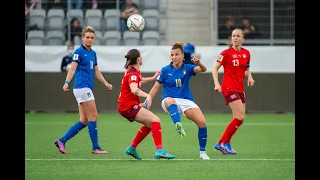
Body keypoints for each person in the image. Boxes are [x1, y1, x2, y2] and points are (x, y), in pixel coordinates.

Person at [54, 26, 113, 154]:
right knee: (94, 115)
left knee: (84, 120)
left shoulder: (93, 53)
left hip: (86, 88)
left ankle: (61, 141)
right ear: (82, 38)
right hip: (81, 87)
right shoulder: (78, 52)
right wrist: (66, 82)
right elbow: (72, 69)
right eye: (87, 37)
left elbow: (97, 71)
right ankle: (95, 147)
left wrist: (105, 83)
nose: (89, 40)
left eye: (92, 38)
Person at [148, 42, 210, 160]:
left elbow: (204, 69)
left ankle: (203, 153)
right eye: (172, 55)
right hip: (168, 101)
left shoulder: (188, 67)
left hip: (186, 100)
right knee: (171, 101)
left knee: (202, 123)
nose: (174, 57)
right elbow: (156, 87)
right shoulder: (165, 70)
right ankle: (178, 123)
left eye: (177, 54)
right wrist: (148, 99)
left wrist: (199, 63)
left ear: (182, 55)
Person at [118, 48, 176, 160]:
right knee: (156, 121)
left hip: (127, 105)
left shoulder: (133, 71)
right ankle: (159, 150)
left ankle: (132, 148)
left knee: (151, 124)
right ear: (139, 59)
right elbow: (134, 89)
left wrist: (153, 78)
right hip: (128, 106)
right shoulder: (133, 72)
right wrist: (148, 96)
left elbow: (141, 80)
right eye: (141, 57)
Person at [212, 28, 255, 154]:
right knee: (241, 117)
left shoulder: (246, 53)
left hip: (240, 89)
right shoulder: (226, 53)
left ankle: (226, 143)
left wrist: (250, 77)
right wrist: (217, 84)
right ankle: (221, 143)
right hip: (229, 88)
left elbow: (246, 68)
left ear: (242, 38)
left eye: (238, 36)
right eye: (233, 36)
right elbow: (215, 69)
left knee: (237, 118)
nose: (235, 38)